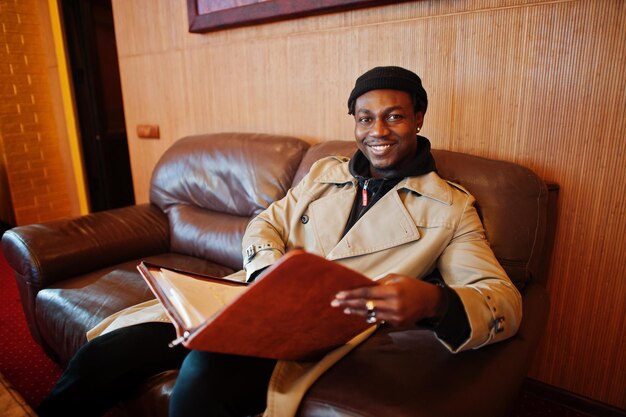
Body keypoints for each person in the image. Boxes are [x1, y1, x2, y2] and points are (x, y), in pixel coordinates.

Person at [36, 66, 521, 417]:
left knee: (201, 381)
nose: (377, 131)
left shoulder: (450, 207)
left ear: (417, 118)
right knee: (107, 353)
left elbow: (502, 301)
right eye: (364, 118)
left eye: (393, 117)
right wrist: (266, 272)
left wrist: (433, 302)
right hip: (250, 297)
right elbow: (263, 225)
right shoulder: (325, 172)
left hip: (316, 331)